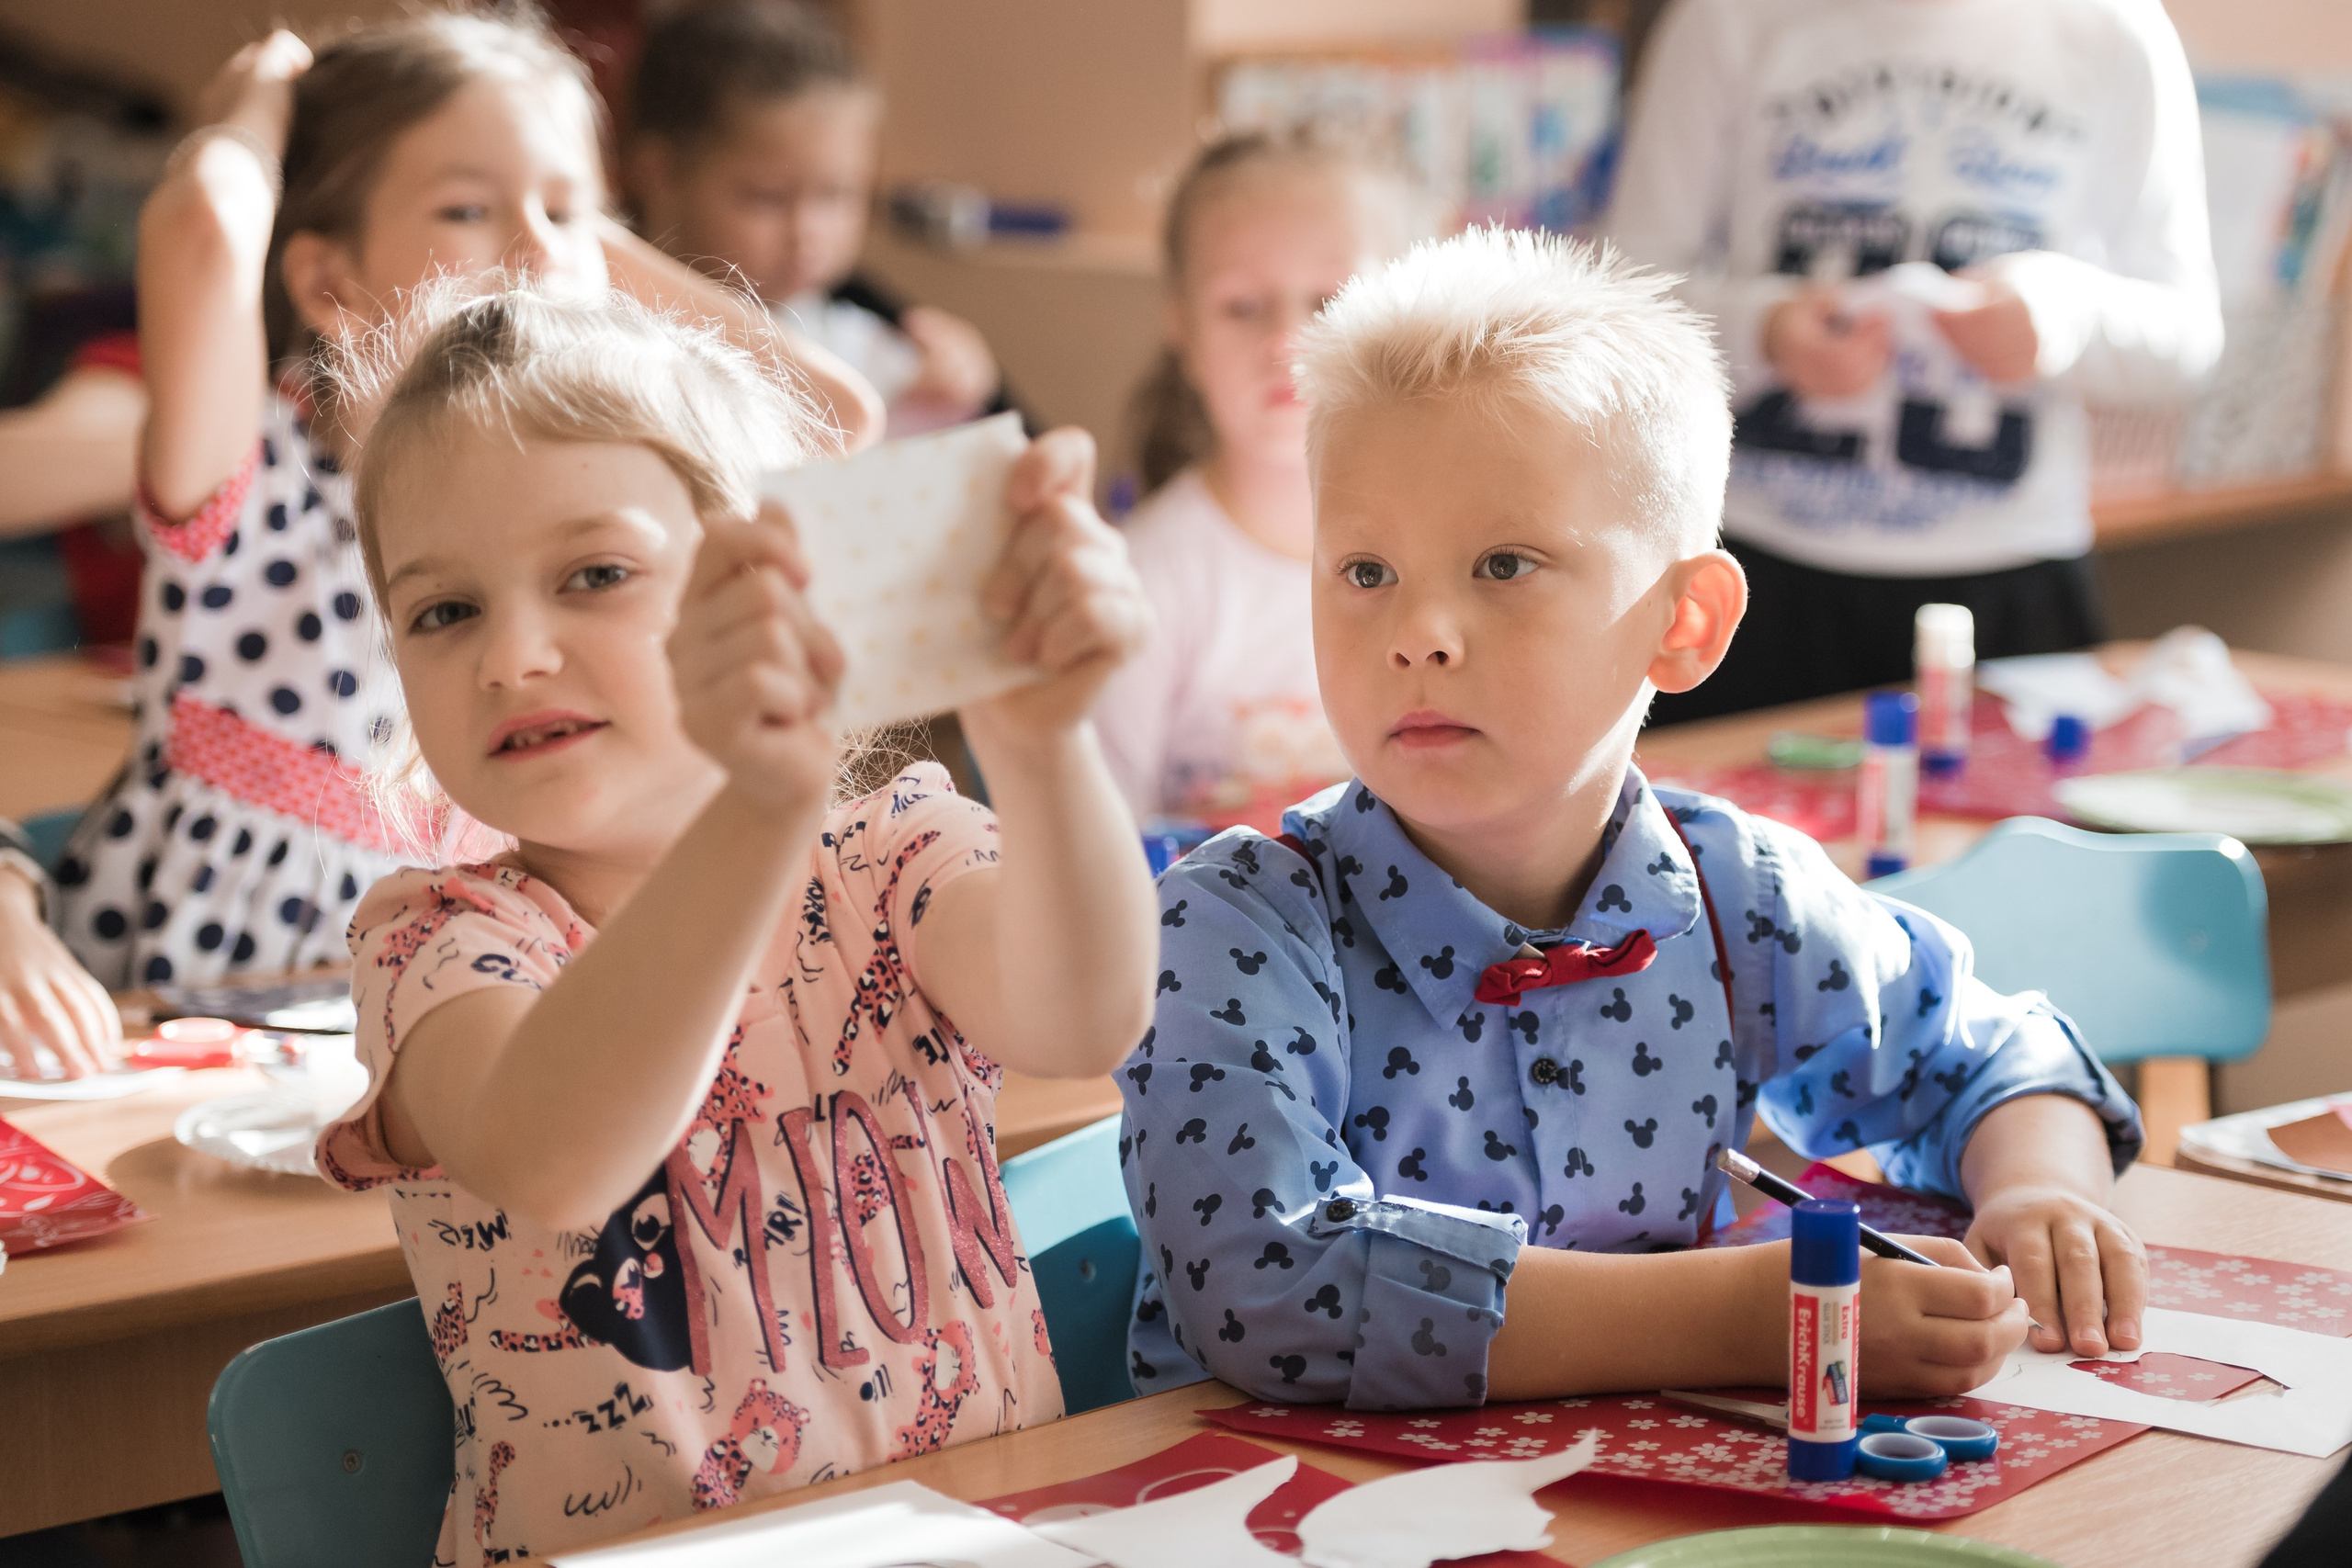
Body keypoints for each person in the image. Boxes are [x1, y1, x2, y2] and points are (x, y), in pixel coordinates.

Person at [1117, 229, 2147, 1410]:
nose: (1418, 631)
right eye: (1363, 572)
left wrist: (2039, 1191)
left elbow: (1991, 1055)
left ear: (1684, 624)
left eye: (1502, 564)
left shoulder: (1734, 893)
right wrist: (1742, 1318)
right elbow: (1276, 1293)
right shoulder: (1235, 924)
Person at [315, 284, 1155, 1559]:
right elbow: (559, 1152)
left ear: (763, 585)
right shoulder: (438, 939)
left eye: (595, 573)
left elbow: (1088, 1012)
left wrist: (1040, 745)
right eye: (444, 610)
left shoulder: (891, 853)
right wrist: (760, 804)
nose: (514, 654)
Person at [0, 8, 881, 1080]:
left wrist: (554, 240)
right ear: (327, 284)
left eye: (567, 211)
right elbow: (204, 231)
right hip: (224, 1006)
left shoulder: (574, 473)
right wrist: (259, 104)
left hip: (479, 978)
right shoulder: (257, 461)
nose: (531, 246)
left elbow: (833, 418)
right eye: (465, 207)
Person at [1607, 0, 2222, 723]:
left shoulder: (2113, 32)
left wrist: (2061, 317)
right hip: (1753, 572)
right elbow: (1623, 294)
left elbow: (2188, 340)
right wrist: (1766, 328)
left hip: (2011, 581)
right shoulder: (1727, 22)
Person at [1091, 131, 1425, 822]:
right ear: (1183, 332)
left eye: (1328, 299)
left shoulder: (1460, 551)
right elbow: (1100, 848)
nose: (1285, 340)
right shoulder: (1144, 579)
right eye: (1243, 306)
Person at [627, 0, 1012, 439]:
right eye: (767, 197)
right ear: (658, 176)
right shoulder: (620, 339)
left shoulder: (856, 342)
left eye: (836, 195)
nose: (807, 233)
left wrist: (942, 393)